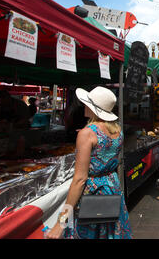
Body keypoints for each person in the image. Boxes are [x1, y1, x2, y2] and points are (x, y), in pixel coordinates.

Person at [46, 86, 132, 239]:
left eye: (87, 103)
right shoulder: (118, 131)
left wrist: (61, 223)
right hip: (112, 187)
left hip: (93, 194)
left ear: (93, 108)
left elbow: (79, 180)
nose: (84, 105)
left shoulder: (87, 133)